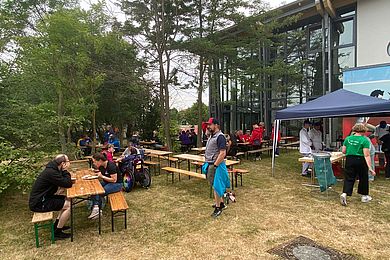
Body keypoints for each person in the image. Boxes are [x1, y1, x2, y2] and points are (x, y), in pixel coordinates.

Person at [29, 154, 73, 240]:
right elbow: (67, 184)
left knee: (68, 199)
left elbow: (62, 182)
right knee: (69, 206)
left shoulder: (52, 169)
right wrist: (65, 171)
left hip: (44, 198)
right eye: (68, 161)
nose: (69, 163)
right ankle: (57, 232)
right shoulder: (51, 172)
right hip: (39, 203)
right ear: (63, 163)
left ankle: (57, 225)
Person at [340, 124, 376, 206]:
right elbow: (366, 155)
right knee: (363, 177)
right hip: (360, 160)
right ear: (364, 131)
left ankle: (345, 193)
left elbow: (344, 151)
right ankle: (364, 196)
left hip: (349, 159)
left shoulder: (348, 138)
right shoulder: (365, 140)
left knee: (349, 177)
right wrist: (370, 168)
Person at [204, 118, 230, 218]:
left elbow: (223, 153)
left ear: (216, 125)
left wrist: (215, 165)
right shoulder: (212, 135)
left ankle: (218, 208)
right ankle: (222, 203)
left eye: (210, 125)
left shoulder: (220, 137)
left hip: (216, 165)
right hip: (210, 163)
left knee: (216, 186)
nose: (208, 127)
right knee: (214, 185)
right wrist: (207, 129)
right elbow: (206, 133)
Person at [88, 153, 123, 219]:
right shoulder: (101, 166)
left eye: (95, 162)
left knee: (100, 191)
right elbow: (100, 173)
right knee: (94, 188)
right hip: (107, 182)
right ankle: (96, 207)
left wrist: (102, 176)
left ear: (100, 160)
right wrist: (94, 175)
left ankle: (96, 208)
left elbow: (114, 180)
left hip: (117, 184)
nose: (94, 163)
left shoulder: (111, 165)